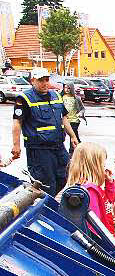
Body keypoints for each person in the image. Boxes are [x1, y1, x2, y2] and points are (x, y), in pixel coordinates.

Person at [9, 67, 78, 196]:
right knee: (45, 184)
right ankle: (42, 207)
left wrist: (73, 136)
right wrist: (16, 145)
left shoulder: (56, 95)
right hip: (39, 150)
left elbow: (64, 118)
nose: (45, 83)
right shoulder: (24, 98)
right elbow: (17, 123)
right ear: (32, 81)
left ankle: (47, 203)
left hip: (58, 147)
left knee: (65, 176)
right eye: (41, 80)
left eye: (47, 80)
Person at [64, 142, 115, 232]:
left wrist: (109, 184)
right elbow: (93, 226)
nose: (105, 168)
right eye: (103, 165)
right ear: (94, 166)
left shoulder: (92, 188)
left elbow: (107, 204)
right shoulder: (89, 191)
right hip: (104, 241)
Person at [62, 82, 87, 149]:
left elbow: (82, 109)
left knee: (73, 135)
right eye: (65, 87)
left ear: (72, 88)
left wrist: (80, 114)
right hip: (64, 120)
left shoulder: (76, 98)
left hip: (74, 120)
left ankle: (74, 149)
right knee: (62, 135)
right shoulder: (61, 98)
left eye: (68, 88)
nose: (67, 89)